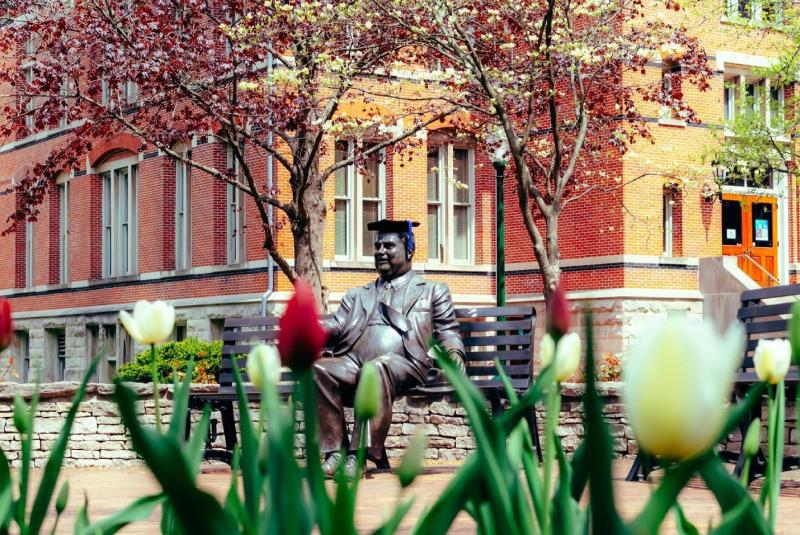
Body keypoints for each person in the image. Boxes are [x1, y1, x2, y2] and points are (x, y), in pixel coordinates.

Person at [316, 219, 465, 478]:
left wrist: (454, 353)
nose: (380, 251)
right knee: (319, 368)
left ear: (409, 250)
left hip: (405, 362)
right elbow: (337, 325)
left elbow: (448, 330)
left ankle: (359, 456)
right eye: (377, 246)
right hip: (354, 361)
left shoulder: (432, 291)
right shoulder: (357, 295)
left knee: (376, 368)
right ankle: (336, 453)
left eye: (389, 245)